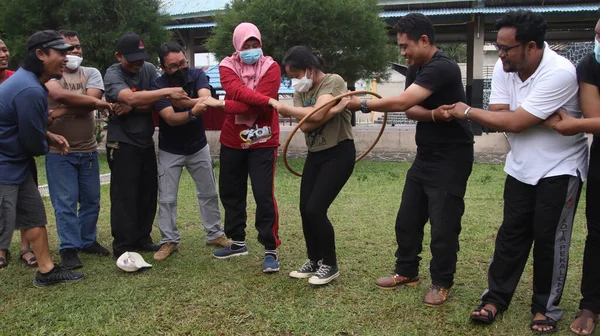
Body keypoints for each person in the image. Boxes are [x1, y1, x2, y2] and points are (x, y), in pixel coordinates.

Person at [443, 10, 588, 333]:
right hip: (521, 167)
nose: (501, 54)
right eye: (499, 46)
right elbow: (498, 115)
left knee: (550, 239)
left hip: (560, 168)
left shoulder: (560, 72)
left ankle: (544, 309)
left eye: (507, 48)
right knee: (511, 236)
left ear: (532, 46)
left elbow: (514, 122)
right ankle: (495, 298)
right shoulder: (505, 67)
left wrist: (468, 111)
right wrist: (521, 118)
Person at [346, 13, 474, 306]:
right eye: (400, 47)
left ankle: (442, 282)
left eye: (405, 46)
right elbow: (411, 108)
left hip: (452, 157)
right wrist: (431, 114)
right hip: (425, 154)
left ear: (424, 40)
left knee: (443, 224)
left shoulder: (442, 67)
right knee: (408, 218)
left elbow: (402, 103)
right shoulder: (416, 68)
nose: (402, 52)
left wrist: (362, 104)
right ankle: (406, 272)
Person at [0, 30, 86, 285]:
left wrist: (48, 136)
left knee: (34, 216)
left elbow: (21, 126)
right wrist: (45, 142)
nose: (66, 59)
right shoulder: (29, 89)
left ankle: (46, 271)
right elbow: (31, 142)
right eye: (60, 53)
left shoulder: (28, 83)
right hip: (4, 166)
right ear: (40, 54)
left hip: (16, 164)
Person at [196, 22, 281, 273]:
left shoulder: (271, 67)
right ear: (237, 45)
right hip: (233, 139)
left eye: (256, 45)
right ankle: (238, 242)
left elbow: (254, 105)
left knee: (263, 193)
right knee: (231, 192)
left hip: (264, 140)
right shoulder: (226, 65)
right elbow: (236, 92)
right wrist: (266, 101)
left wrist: (221, 105)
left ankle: (270, 249)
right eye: (247, 45)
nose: (252, 49)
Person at [270, 46, 353, 285]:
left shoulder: (333, 81)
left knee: (317, 209)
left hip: (339, 152)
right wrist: (335, 109)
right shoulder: (301, 91)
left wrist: (289, 109)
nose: (294, 81)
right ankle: (314, 260)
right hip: (315, 153)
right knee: (305, 209)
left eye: (296, 75)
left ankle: (330, 264)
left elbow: (314, 114)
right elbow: (306, 125)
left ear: (309, 69)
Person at [104, 33, 188, 259]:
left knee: (147, 192)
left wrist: (136, 103)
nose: (138, 63)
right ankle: (123, 245)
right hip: (121, 141)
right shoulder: (113, 74)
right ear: (118, 56)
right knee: (125, 196)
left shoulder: (148, 69)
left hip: (145, 140)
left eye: (140, 58)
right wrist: (157, 95)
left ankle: (142, 238)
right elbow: (129, 99)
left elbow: (149, 103)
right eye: (132, 59)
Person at [545, 16, 600, 336]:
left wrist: (575, 125)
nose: (598, 41)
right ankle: (590, 305)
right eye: (597, 34)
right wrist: (585, 123)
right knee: (597, 235)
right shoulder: (590, 66)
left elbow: (587, 122)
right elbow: (594, 117)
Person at [150, 42, 230, 261]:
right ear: (163, 67)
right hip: (170, 149)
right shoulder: (158, 85)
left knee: (209, 193)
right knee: (166, 198)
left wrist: (185, 102)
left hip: (198, 147)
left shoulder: (197, 75)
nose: (181, 68)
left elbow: (207, 99)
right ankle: (169, 240)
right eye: (173, 66)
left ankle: (215, 234)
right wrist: (194, 110)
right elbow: (171, 119)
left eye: (183, 62)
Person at [44, 30, 111, 269]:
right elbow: (60, 94)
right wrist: (85, 101)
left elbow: (90, 101)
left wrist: (61, 109)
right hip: (59, 153)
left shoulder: (90, 72)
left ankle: (87, 241)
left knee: (92, 200)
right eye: (69, 48)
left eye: (78, 47)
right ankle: (69, 248)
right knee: (66, 203)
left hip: (89, 151)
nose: (75, 52)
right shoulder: (50, 76)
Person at [0, 38, 38, 268]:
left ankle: (26, 248)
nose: (3, 54)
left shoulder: (17, 79)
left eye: (4, 49)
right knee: (3, 203)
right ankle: (1, 249)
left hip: (21, 153)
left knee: (27, 200)